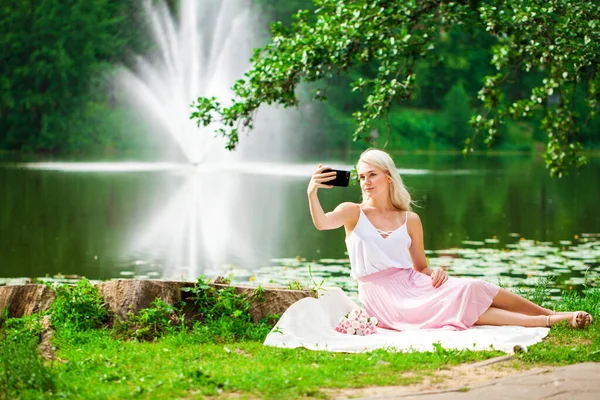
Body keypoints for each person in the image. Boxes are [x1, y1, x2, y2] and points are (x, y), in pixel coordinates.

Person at [307, 148, 593, 331]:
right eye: (361, 177)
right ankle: (550, 321)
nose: (366, 182)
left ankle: (552, 313)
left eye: (372, 175)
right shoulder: (352, 212)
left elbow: (420, 267)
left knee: (472, 286)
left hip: (414, 284)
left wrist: (436, 270)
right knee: (461, 300)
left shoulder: (410, 220)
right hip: (383, 298)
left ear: (389, 177)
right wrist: (312, 193)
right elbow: (322, 223)